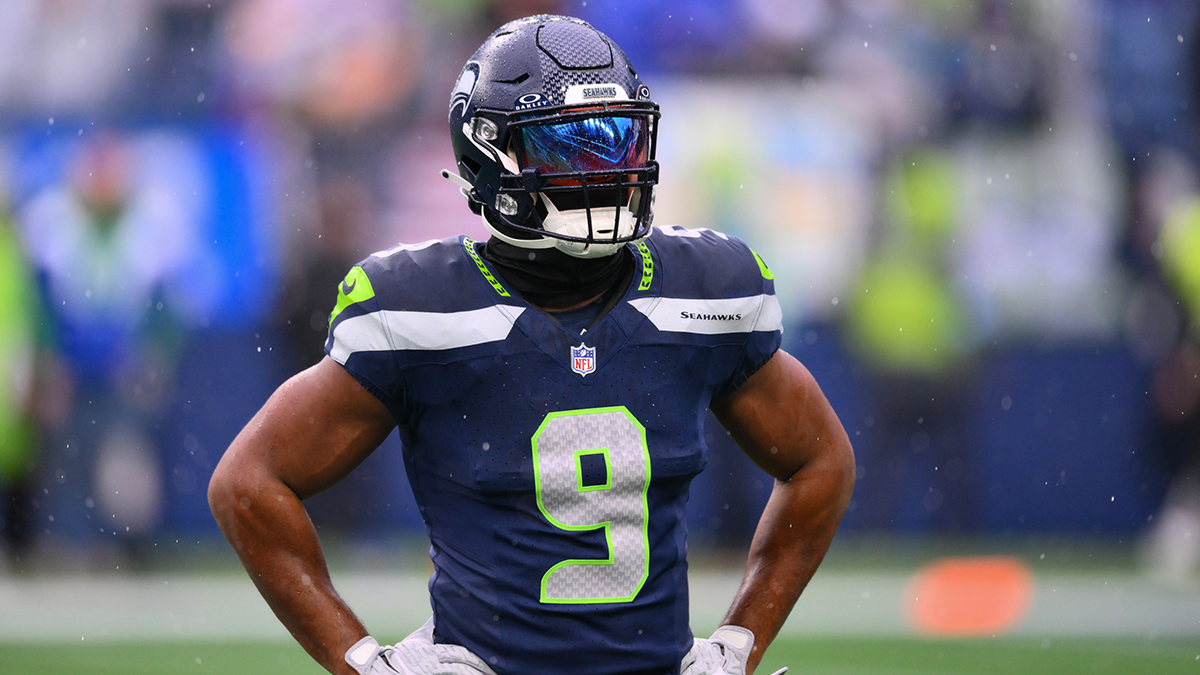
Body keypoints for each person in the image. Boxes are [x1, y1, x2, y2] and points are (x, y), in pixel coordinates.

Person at [209, 15, 854, 675]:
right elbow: (247, 483)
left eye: (617, 141)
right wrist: (361, 662)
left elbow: (822, 461)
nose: (603, 171)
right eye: (570, 149)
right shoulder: (421, 306)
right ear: (487, 156)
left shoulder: (707, 290)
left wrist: (739, 642)